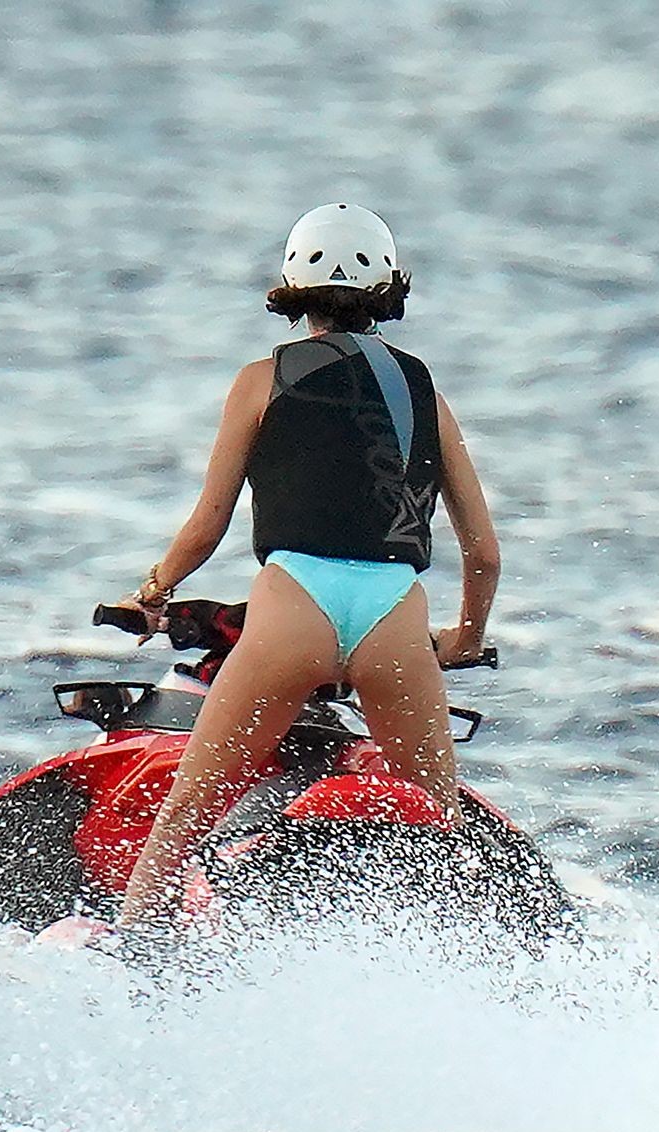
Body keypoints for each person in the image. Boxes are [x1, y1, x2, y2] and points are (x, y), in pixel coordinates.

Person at [113, 203, 500, 930]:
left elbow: (207, 525)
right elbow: (483, 554)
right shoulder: (426, 393)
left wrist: (153, 592)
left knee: (184, 818)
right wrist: (465, 640)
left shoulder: (262, 380)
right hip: (394, 622)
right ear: (388, 286)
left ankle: (133, 951)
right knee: (442, 830)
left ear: (293, 283)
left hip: (293, 613)